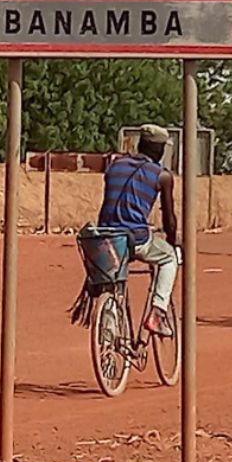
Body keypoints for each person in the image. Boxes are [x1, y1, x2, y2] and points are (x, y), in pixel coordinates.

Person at [97, 124, 179, 336]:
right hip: (136, 239)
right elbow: (169, 218)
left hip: (105, 237)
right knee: (168, 258)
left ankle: (107, 339)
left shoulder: (115, 166)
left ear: (139, 144)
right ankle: (158, 314)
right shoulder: (162, 175)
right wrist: (174, 241)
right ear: (160, 150)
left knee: (113, 282)